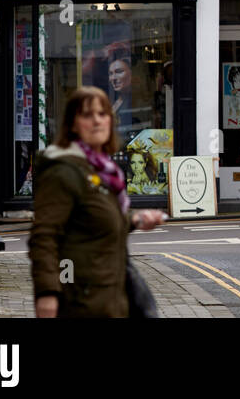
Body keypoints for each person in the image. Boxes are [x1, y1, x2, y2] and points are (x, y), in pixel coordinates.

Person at [29, 86, 164, 317]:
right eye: (87, 115)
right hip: (81, 302)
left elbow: (93, 216)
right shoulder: (63, 171)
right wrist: (48, 294)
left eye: (103, 114)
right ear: (72, 124)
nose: (97, 121)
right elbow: (44, 237)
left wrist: (135, 219)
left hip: (110, 298)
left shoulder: (102, 171)